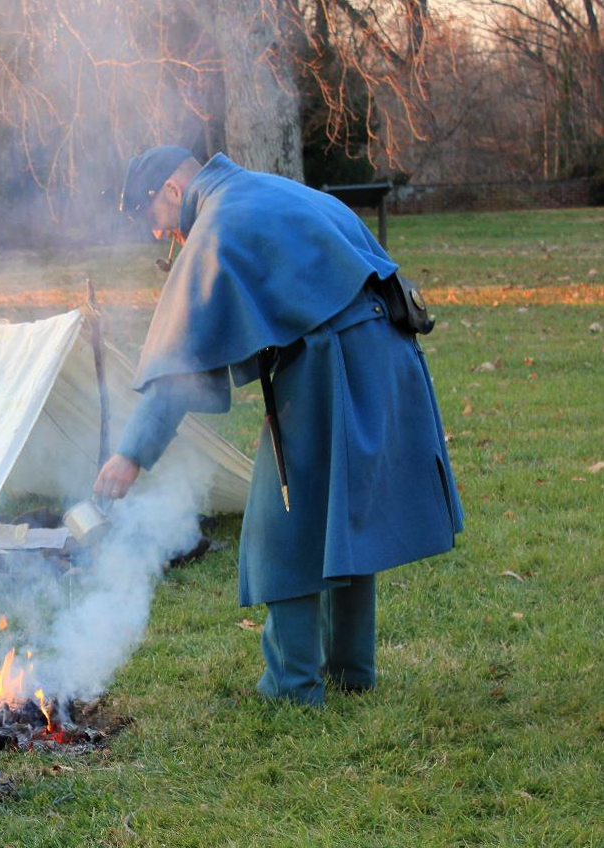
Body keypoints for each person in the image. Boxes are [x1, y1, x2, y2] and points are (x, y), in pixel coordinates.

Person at [94, 146, 463, 705]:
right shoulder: (268, 190)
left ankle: (292, 686)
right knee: (343, 515)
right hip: (388, 349)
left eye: (150, 216)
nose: (154, 233)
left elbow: (180, 365)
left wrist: (131, 454)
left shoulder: (218, 220)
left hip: (334, 360)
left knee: (280, 526)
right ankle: (352, 673)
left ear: (172, 190)